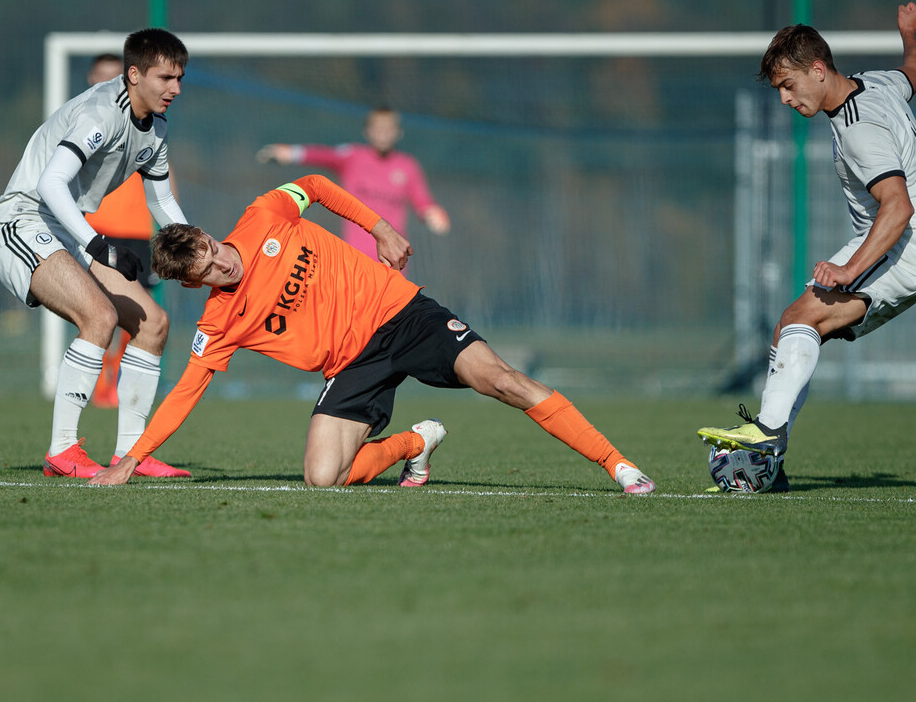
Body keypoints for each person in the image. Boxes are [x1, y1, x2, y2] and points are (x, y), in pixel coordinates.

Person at [90, 174, 655, 495]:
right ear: (193, 286)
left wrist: (380, 227)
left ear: (211, 237)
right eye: (206, 273)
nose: (222, 268)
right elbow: (186, 392)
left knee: (502, 380)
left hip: (403, 314)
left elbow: (315, 185)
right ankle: (414, 443)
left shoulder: (264, 214)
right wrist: (131, 460)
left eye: (214, 254)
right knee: (321, 480)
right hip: (353, 366)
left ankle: (617, 464)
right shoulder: (218, 323)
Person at [696, 2, 916, 492]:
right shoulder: (876, 83)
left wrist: (850, 268)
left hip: (906, 246)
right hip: (900, 244)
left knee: (800, 321)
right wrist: (909, 35)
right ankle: (773, 461)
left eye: (789, 86)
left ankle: (767, 438)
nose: (786, 99)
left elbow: (898, 208)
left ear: (817, 69)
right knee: (793, 323)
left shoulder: (857, 128)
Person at [0, 28, 193, 479]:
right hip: (21, 220)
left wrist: (197, 246)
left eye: (179, 77)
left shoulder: (155, 128)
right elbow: (50, 184)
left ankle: (130, 454)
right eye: (165, 78)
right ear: (133, 74)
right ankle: (63, 451)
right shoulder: (102, 113)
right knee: (99, 317)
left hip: (66, 228)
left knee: (152, 324)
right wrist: (98, 245)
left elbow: (159, 201)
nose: (175, 88)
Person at [256, 106, 450, 260]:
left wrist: (431, 213)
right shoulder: (353, 156)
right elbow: (322, 155)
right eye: (378, 128)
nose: (383, 134)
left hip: (392, 258)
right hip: (353, 257)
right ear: (368, 132)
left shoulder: (408, 166)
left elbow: (422, 200)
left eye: (388, 129)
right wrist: (291, 153)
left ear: (398, 133)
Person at [83, 53, 161, 409]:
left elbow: (163, 179)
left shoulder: (147, 125)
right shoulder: (85, 121)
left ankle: (116, 378)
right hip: (95, 228)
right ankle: (96, 381)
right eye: (101, 76)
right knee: (96, 309)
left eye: (113, 77)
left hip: (136, 231)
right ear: (89, 78)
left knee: (140, 315)